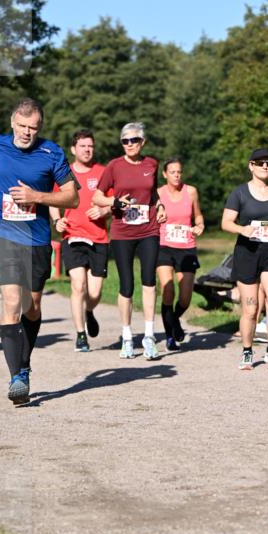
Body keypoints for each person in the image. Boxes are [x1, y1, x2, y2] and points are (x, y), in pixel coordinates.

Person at [0, 98, 79, 405]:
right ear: (12, 123)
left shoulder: (52, 152)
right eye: (22, 126)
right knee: (11, 302)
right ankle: (17, 377)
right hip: (4, 233)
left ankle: (25, 362)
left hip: (36, 239)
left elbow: (72, 197)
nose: (26, 133)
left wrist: (37, 196)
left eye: (33, 128)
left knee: (31, 306)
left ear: (40, 127)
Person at [93, 122, 166, 360]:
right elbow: (97, 196)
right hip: (123, 231)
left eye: (134, 140)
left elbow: (153, 193)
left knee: (149, 280)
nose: (130, 144)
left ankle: (149, 336)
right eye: (125, 141)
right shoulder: (114, 166)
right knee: (126, 284)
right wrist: (115, 202)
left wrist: (161, 205)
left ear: (142, 142)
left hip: (149, 229)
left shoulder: (151, 164)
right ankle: (126, 337)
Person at [221, 147, 268, 371]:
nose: (265, 167)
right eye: (260, 163)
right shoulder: (239, 193)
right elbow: (226, 223)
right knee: (251, 309)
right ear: (251, 166)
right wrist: (243, 230)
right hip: (247, 253)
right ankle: (247, 351)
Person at [49, 129, 109, 352]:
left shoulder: (103, 172)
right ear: (73, 149)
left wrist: (104, 211)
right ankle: (80, 334)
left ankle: (89, 310)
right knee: (78, 285)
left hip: (99, 237)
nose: (87, 150)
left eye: (90, 146)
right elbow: (54, 201)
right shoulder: (65, 174)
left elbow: (114, 202)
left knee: (94, 293)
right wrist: (57, 221)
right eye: (83, 146)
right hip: (73, 236)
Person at [156, 158, 204, 351]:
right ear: (165, 174)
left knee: (185, 298)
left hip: (186, 246)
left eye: (179, 172)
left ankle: (174, 319)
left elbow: (198, 215)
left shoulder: (191, 191)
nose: (176, 175)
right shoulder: (158, 193)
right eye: (173, 172)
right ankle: (169, 337)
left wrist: (199, 225)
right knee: (168, 290)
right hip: (164, 246)